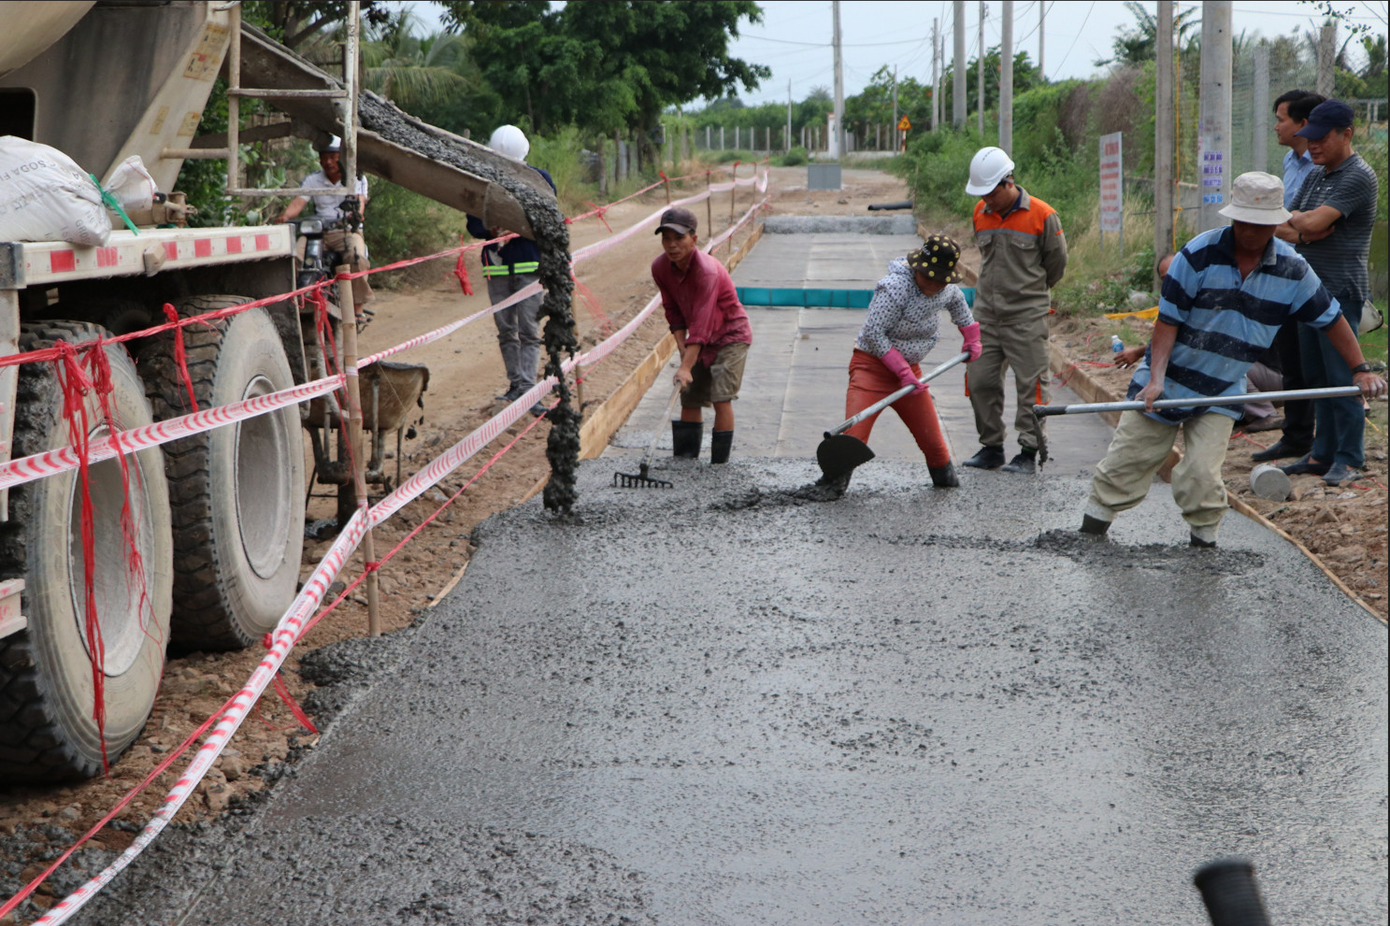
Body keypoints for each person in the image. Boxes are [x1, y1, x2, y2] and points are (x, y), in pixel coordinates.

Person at [1078, 172, 1385, 548]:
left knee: (1203, 475)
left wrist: (1360, 369)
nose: (1251, 232)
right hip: (1169, 379)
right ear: (1233, 218)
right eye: (1244, 222)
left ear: (1275, 223)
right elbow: (1167, 323)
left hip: (1225, 386)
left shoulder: (1293, 269)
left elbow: (1332, 319)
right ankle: (1090, 533)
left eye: (1261, 224)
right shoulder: (1197, 255)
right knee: (1128, 461)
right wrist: (1155, 379)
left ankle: (1204, 547)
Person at [1274, 99, 1381, 487]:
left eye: (1321, 138)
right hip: (1308, 290)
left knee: (1342, 376)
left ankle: (1350, 458)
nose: (1313, 145)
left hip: (1340, 291)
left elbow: (1310, 220)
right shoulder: (1317, 175)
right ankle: (1322, 454)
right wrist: (1305, 231)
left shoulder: (1358, 176)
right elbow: (1284, 222)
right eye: (1310, 138)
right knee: (1316, 377)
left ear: (1346, 134)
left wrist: (1303, 224)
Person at [830, 236, 982, 492]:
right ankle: (832, 487)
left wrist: (971, 338)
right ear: (917, 268)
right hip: (872, 370)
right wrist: (901, 371)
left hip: (911, 375)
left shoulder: (946, 289)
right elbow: (873, 332)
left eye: (940, 279)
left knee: (934, 444)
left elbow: (958, 304)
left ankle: (946, 486)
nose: (934, 285)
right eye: (929, 277)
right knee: (853, 439)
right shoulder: (895, 288)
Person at [961, 146, 1068, 474]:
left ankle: (1028, 450)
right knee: (979, 381)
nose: (986, 200)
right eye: (982, 194)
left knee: (1031, 385)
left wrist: (1030, 294)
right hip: (987, 315)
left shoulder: (1042, 215)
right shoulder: (981, 212)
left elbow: (1056, 264)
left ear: (1008, 182)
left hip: (1026, 317)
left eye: (991, 193)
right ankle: (991, 447)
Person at [1251, 89, 1326, 463]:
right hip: (1284, 271)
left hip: (1315, 276)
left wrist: (1293, 227)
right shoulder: (1290, 161)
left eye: (1281, 119)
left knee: (1318, 362)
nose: (1276, 126)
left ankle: (1327, 443)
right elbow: (1285, 222)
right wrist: (1293, 227)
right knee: (1292, 359)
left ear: (1303, 123)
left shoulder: (1323, 167)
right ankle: (1296, 436)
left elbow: (1314, 227)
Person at [465, 125, 557, 416]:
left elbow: (550, 218)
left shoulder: (539, 179)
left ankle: (528, 389)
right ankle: (516, 385)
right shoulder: (482, 182)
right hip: (497, 267)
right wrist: (491, 229)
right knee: (506, 329)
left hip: (529, 267)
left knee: (529, 330)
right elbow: (473, 223)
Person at [650, 206, 752, 464]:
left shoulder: (706, 271)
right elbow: (672, 310)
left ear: (694, 240)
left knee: (720, 396)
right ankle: (686, 463)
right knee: (690, 396)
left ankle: (718, 466)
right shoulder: (660, 268)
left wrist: (686, 366)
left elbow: (703, 325)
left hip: (730, 335)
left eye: (679, 238)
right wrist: (683, 350)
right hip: (699, 337)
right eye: (666, 238)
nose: (672, 245)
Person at [276, 135, 373, 317]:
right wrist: (284, 217)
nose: (328, 162)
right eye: (324, 158)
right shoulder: (312, 179)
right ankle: (293, 304)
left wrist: (356, 215)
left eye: (333, 157)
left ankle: (357, 307)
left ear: (342, 158)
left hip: (346, 231)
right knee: (294, 257)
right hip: (318, 232)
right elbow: (297, 203)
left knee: (356, 258)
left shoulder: (357, 178)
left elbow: (359, 202)